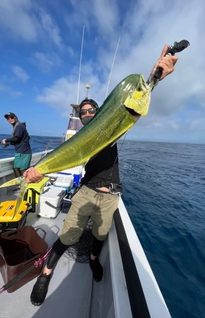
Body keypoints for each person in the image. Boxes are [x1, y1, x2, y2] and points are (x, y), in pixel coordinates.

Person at [23, 45, 178, 306]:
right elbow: (60, 161)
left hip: (111, 196)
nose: (86, 113)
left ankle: (94, 260)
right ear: (79, 117)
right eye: (82, 112)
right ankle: (46, 273)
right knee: (68, 235)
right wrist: (38, 171)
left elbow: (132, 108)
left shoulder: (112, 129)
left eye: (91, 110)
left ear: (99, 112)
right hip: (85, 192)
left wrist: (155, 77)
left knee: (100, 235)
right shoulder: (76, 140)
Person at [1, 112, 32, 181]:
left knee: (16, 168)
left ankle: (20, 185)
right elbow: (18, 140)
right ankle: (25, 184)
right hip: (23, 151)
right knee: (24, 169)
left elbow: (16, 138)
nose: (10, 119)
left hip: (23, 152)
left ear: (15, 117)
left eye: (11, 117)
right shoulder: (18, 126)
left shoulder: (19, 127)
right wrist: (10, 142)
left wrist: (6, 140)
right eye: (8, 118)